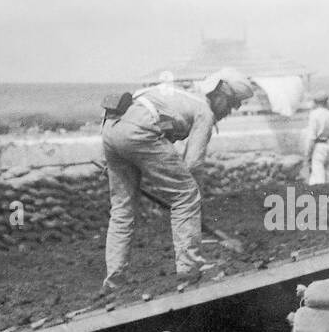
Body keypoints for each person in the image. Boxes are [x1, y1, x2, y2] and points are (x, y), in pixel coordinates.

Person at [100, 67, 253, 292]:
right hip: (138, 130)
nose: (230, 110)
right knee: (186, 196)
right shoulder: (204, 111)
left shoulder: (178, 95)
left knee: (122, 210)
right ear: (219, 93)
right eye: (231, 104)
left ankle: (114, 280)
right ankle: (189, 269)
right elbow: (193, 164)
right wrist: (194, 203)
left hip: (111, 129)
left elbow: (160, 129)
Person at [305, 92, 329, 184]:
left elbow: (312, 138)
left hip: (317, 147)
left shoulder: (314, 115)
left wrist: (308, 155)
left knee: (317, 177)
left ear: (315, 102)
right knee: (328, 176)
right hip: (327, 147)